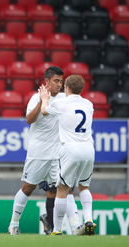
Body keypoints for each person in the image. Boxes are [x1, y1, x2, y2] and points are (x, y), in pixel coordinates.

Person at [8, 66, 83, 236]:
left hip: (59, 154)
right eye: (56, 81)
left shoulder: (66, 99)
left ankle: (76, 225)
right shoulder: (36, 98)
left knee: (67, 188)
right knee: (28, 188)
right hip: (39, 153)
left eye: (61, 81)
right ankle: (13, 224)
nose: (59, 84)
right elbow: (29, 119)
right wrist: (43, 101)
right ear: (47, 82)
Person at [41, 75, 95, 236]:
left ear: (67, 88)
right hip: (88, 149)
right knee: (83, 187)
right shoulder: (89, 104)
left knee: (62, 189)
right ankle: (89, 220)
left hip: (70, 149)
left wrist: (45, 98)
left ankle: (56, 229)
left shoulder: (60, 103)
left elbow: (44, 112)